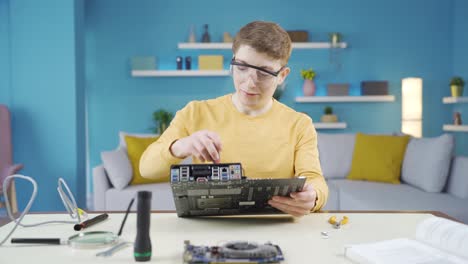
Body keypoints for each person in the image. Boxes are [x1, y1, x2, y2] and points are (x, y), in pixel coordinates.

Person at [140, 21, 328, 217]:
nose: (250, 81)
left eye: (263, 72)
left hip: (276, 226)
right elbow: (147, 168)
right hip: (211, 228)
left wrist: (313, 196)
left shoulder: (299, 124)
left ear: (282, 75)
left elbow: (314, 178)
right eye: (242, 67)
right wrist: (180, 146)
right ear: (232, 62)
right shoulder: (195, 112)